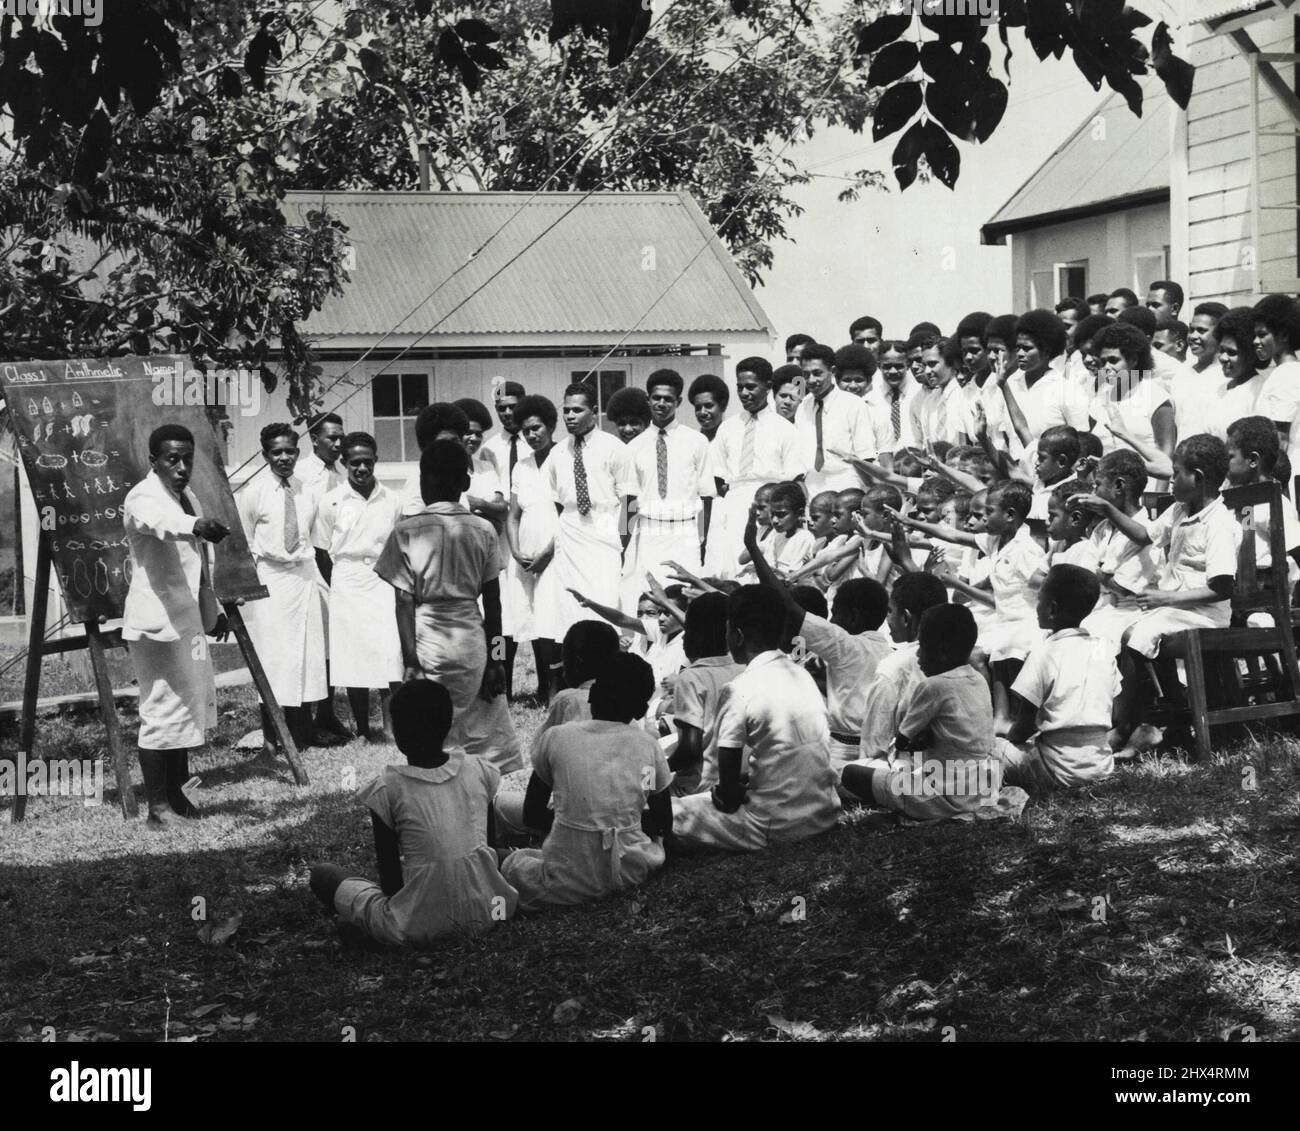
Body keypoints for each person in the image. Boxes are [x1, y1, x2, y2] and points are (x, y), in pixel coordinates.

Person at [309, 679, 517, 947]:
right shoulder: (479, 769)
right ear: (447, 725)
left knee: (322, 874)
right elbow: (489, 853)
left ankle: (369, 930)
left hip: (416, 928)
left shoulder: (386, 788)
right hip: (492, 909)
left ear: (397, 733)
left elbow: (392, 884)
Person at [376, 440, 522, 772]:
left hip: (428, 643)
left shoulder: (406, 531)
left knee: (433, 728)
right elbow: (495, 604)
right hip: (470, 639)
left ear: (423, 481)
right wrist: (497, 659)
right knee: (481, 737)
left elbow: (403, 603)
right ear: (466, 484)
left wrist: (411, 661)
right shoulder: (484, 529)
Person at [498, 653, 673, 909]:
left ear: (591, 695)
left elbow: (533, 815)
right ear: (642, 710)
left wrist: (582, 826)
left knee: (513, 863)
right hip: (630, 871)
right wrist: (617, 822)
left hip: (566, 880)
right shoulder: (648, 746)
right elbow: (663, 822)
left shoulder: (557, 738)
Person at [672, 586, 841, 851]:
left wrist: (730, 791)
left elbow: (727, 793)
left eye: (728, 631)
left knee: (663, 812)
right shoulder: (801, 674)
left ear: (737, 635)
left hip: (773, 826)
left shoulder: (740, 688)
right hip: (824, 812)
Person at [122, 424, 231, 828]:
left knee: (185, 707)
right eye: (172, 459)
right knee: (160, 710)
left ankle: (177, 799)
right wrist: (196, 524)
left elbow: (199, 563)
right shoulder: (144, 496)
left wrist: (211, 609)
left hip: (186, 618)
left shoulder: (186, 495)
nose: (182, 467)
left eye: (188, 458)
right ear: (154, 461)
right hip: (156, 625)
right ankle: (157, 810)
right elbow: (160, 523)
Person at [1112, 435, 1242, 739]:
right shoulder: (1180, 510)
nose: (1169, 481)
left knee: (1137, 634)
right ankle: (1174, 712)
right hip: (1179, 609)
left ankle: (1126, 726)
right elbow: (1144, 535)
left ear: (1196, 479)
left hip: (1205, 613)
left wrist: (1165, 597)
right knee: (1127, 629)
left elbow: (1221, 589)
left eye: (1175, 474)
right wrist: (1108, 510)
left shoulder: (1218, 524)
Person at [745, 506, 891, 771]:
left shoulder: (846, 645)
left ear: (854, 616)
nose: (832, 621)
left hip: (843, 752)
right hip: (876, 753)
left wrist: (754, 549)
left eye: (836, 613)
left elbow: (787, 605)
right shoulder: (888, 650)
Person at [840, 604, 1000, 820]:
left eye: (922, 646)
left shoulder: (933, 686)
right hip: (985, 786)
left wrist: (913, 740)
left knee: (851, 773)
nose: (917, 655)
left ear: (941, 651)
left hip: (945, 795)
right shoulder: (979, 679)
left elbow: (902, 742)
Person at [534, 382, 637, 678]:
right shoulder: (557, 454)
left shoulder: (614, 448)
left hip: (604, 530)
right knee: (569, 605)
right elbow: (555, 501)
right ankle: (573, 676)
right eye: (565, 410)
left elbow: (630, 501)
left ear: (594, 412)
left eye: (577, 410)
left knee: (604, 600)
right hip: (570, 531)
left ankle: (608, 674)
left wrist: (621, 543)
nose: (570, 416)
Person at [237, 423, 328, 758]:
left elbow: (315, 539)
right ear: (265, 455)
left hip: (303, 577)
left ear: (297, 452)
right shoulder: (254, 492)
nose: (284, 458)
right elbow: (245, 544)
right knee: (273, 657)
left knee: (304, 653)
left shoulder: (306, 490)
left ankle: (302, 732)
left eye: (290, 451)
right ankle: (271, 739)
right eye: (277, 452)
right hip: (271, 578)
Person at [311, 432, 404, 743]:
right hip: (347, 579)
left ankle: (391, 729)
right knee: (353, 656)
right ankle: (363, 730)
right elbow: (322, 550)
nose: (361, 468)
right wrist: (339, 582)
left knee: (389, 652)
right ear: (345, 463)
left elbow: (400, 544)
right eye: (355, 463)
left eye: (367, 462)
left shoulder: (392, 499)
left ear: (376, 460)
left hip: (382, 577)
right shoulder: (331, 501)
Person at [995, 565, 1119, 792]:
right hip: (1102, 766)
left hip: (1055, 770)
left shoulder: (1043, 653)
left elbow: (1025, 726)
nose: (1036, 607)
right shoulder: (1104, 649)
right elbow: (1114, 708)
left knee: (993, 749)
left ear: (1051, 609)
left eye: (1039, 600)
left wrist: (1009, 736)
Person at [621, 369, 714, 612]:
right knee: (649, 599)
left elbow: (706, 497)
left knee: (688, 600)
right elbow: (629, 501)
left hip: (686, 530)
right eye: (656, 398)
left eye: (668, 399)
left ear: (678, 402)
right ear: (648, 400)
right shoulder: (634, 446)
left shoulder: (696, 442)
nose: (661, 404)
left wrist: (703, 540)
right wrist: (624, 545)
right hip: (650, 531)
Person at [708, 358, 804, 577]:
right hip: (734, 504)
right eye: (740, 387)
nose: (744, 393)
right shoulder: (727, 428)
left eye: (751, 387)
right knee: (732, 564)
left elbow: (794, 479)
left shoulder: (784, 429)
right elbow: (718, 476)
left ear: (768, 387)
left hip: (770, 506)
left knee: (760, 568)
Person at [504, 394, 561, 701]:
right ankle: (538, 685)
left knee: (551, 621)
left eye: (537, 428)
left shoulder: (563, 458)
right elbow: (513, 516)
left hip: (555, 553)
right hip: (524, 557)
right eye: (526, 431)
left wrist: (548, 554)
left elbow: (569, 517)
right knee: (528, 621)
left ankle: (554, 686)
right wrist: (515, 550)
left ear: (551, 426)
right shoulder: (521, 467)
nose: (532, 435)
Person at [297, 411, 350, 745]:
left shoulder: (343, 471)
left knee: (334, 644)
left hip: (339, 563)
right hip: (313, 565)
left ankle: (327, 712)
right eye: (331, 437)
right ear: (314, 438)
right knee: (313, 644)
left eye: (341, 437)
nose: (338, 443)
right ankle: (304, 718)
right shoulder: (302, 473)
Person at [857, 572, 949, 762]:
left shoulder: (893, 668)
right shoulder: (963, 658)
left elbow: (873, 748)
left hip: (910, 779)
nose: (886, 618)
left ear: (906, 618)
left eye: (890, 611)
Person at [667, 592, 744, 796]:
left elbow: (690, 750)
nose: (684, 635)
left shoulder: (691, 678)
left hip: (694, 787)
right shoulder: (743, 669)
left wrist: (659, 768)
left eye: (688, 628)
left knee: (646, 791)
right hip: (733, 782)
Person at [1088, 321, 1176, 484]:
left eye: (1113, 360)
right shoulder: (1099, 398)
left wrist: (1158, 502)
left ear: (1134, 359)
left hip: (1145, 492)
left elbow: (1166, 459)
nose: (1106, 367)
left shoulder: (1156, 397)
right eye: (1103, 362)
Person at [482, 380, 527, 695]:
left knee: (535, 610)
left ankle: (545, 683)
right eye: (501, 408)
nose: (508, 413)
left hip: (530, 535)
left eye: (513, 407)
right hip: (499, 539)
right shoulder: (489, 448)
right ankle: (503, 679)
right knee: (501, 614)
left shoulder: (538, 443)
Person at [795, 343, 878, 496]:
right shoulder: (803, 406)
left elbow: (865, 456)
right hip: (812, 485)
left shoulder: (853, 404)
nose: (811, 380)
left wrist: (868, 492)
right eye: (806, 375)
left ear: (832, 371)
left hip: (846, 483)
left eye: (817, 373)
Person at [1253, 294, 1300, 459]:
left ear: (1284, 335)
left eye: (1262, 334)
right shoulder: (1285, 372)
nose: (1255, 341)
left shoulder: (1287, 375)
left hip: (1286, 475)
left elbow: (1281, 439)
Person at [455, 397, 509, 531]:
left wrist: (477, 503)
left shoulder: (487, 468)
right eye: (468, 433)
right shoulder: (447, 469)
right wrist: (490, 509)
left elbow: (503, 511)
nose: (474, 439)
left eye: (478, 434)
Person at [865, 339, 922, 455]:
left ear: (908, 365)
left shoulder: (920, 394)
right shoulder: (870, 398)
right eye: (887, 366)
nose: (893, 371)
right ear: (879, 366)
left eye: (898, 366)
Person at [687, 373, 729, 443]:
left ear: (723, 406)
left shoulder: (732, 439)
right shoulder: (691, 442)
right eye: (698, 407)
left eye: (708, 406)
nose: (702, 412)